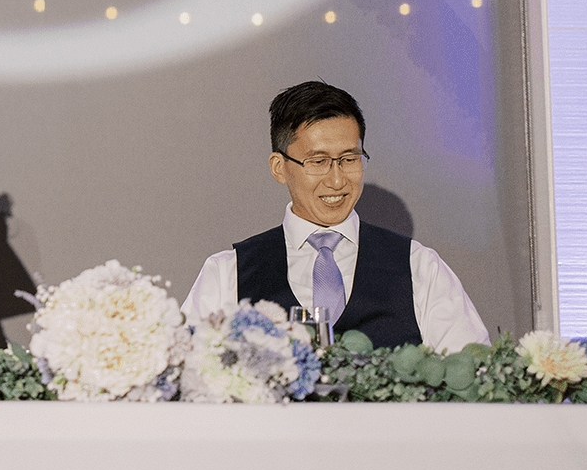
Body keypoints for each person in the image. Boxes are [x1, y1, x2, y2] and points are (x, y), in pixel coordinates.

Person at [181, 81, 490, 351]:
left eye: (349, 159)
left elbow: (472, 375)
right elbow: (186, 377)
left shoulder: (419, 267)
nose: (338, 180)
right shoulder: (228, 273)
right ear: (279, 167)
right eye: (318, 162)